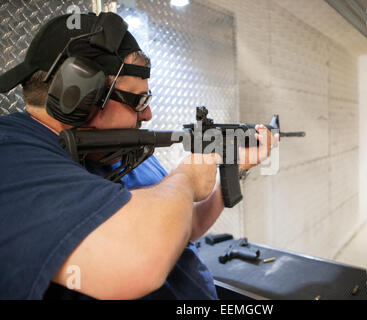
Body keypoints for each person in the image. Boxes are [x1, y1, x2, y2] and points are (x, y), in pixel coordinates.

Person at [0, 12, 277, 300]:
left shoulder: (114, 152)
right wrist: (186, 178)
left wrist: (237, 165)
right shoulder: (9, 154)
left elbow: (185, 226)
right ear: (77, 96)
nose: (147, 114)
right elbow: (136, 261)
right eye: (138, 101)